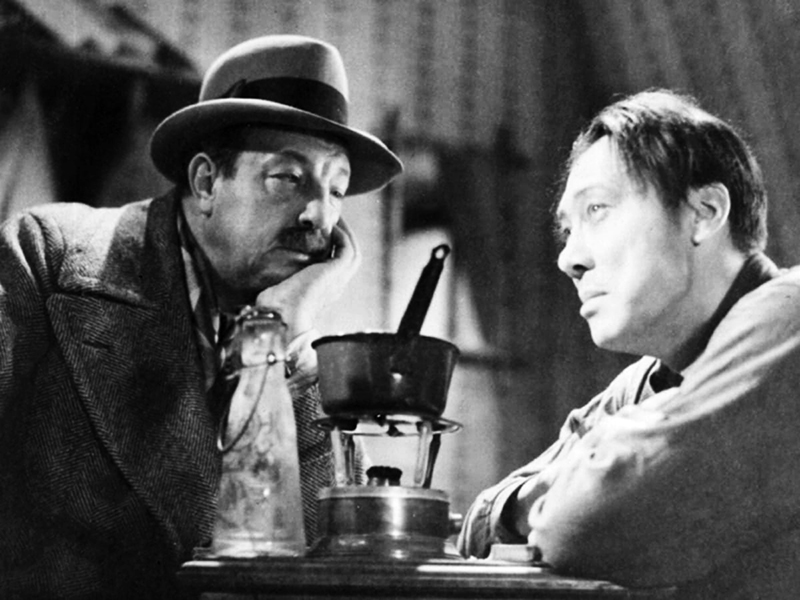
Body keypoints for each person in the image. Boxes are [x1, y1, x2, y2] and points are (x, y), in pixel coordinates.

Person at [0, 35, 402, 599]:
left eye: (336, 189)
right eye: (289, 178)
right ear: (207, 181)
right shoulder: (51, 256)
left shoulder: (293, 337)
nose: (321, 215)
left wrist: (285, 333)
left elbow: (335, 554)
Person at [457, 89, 800, 599]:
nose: (568, 259)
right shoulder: (651, 378)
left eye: (597, 209)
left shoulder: (791, 318)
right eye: (567, 229)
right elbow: (481, 527)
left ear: (705, 212)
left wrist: (590, 470)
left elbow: (581, 527)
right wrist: (568, 480)